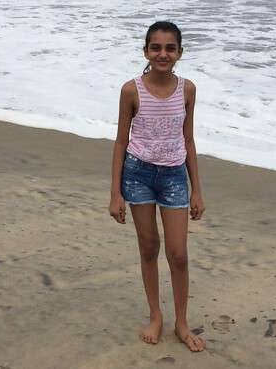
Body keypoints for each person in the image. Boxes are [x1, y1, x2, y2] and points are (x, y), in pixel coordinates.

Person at [109, 21, 206, 352]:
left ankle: (181, 322)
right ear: (146, 51)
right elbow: (121, 141)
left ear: (180, 52)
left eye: (170, 48)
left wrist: (197, 190)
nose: (163, 54)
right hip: (137, 176)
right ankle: (155, 315)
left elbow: (189, 140)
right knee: (149, 248)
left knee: (178, 254)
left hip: (174, 177)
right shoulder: (131, 90)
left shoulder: (188, 90)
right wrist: (115, 194)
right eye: (156, 48)